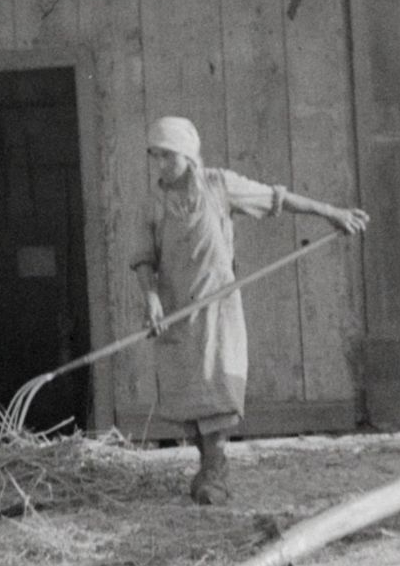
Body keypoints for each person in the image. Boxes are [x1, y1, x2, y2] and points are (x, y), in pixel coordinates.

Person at [132, 114, 369, 503]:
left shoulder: (219, 185)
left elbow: (277, 199)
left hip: (217, 306)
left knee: (218, 387)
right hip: (177, 312)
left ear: (188, 156)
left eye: (167, 156)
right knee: (188, 395)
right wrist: (152, 298)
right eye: (155, 156)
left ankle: (214, 472)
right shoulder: (152, 204)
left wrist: (332, 213)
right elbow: (144, 258)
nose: (160, 164)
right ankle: (210, 465)